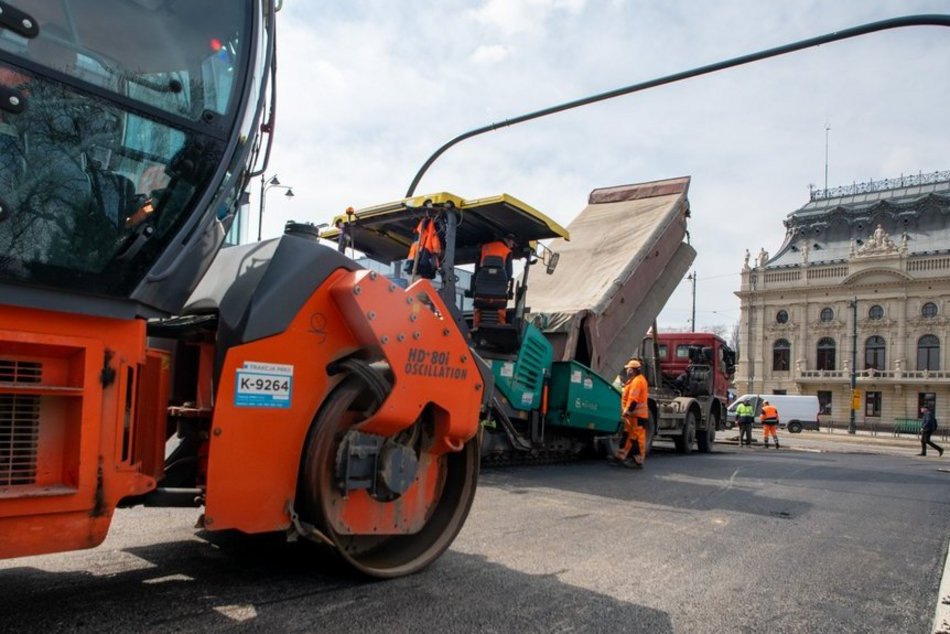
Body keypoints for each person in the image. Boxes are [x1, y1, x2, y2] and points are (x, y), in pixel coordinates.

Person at [472, 233, 516, 327]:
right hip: (499, 296)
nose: (512, 245)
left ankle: (476, 329)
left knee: (478, 316)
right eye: (512, 242)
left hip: (481, 294)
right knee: (499, 319)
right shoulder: (507, 251)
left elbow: (477, 270)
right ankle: (499, 331)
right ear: (507, 240)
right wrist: (499, 285)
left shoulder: (484, 247)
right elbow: (509, 274)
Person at [616, 358, 649, 469]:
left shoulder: (638, 382)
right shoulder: (634, 380)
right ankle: (623, 456)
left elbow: (633, 400)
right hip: (633, 416)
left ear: (633, 370)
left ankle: (638, 460)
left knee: (637, 439)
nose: (627, 371)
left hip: (637, 416)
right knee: (628, 436)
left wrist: (627, 411)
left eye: (628, 369)